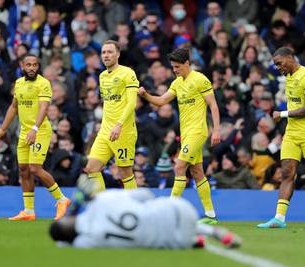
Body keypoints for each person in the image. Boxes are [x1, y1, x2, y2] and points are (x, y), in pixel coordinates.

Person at [138, 48, 221, 224]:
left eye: (177, 66)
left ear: (187, 63)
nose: (175, 70)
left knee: (179, 165)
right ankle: (211, 215)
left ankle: (169, 210)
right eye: (173, 67)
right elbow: (161, 101)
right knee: (197, 172)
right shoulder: (177, 83)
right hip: (186, 133)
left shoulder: (200, 79)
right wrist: (145, 95)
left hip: (198, 131)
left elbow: (213, 105)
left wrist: (217, 130)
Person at [49, 177, 242, 249]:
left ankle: (196, 240)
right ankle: (208, 233)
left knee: (151, 231)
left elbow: (62, 243)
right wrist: (79, 201)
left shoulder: (89, 241)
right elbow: (146, 194)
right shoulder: (103, 200)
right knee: (152, 211)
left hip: (176, 242)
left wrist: (75, 208)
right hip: (181, 209)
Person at [0, 54, 70, 221]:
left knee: (35, 168)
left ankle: (62, 200)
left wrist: (34, 129)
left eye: (35, 65)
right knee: (24, 170)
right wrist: (2, 129)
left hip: (40, 131)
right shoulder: (19, 84)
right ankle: (28, 211)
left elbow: (43, 108)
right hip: (24, 133)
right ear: (22, 66)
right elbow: (13, 108)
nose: (32, 68)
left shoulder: (43, 83)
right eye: (29, 65)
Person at [258, 47, 305, 228]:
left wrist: (283, 114)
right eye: (275, 65)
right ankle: (279, 218)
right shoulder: (289, 78)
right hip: (292, 132)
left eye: (279, 63)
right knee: (287, 173)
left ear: (290, 57)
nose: (278, 67)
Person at [84, 40, 140, 191]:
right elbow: (108, 103)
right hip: (105, 131)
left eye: (110, 52)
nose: (106, 55)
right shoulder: (102, 76)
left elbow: (131, 103)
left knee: (125, 173)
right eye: (103, 52)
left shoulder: (127, 73)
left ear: (118, 54)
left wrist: (119, 125)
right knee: (91, 169)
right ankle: (103, 204)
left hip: (123, 131)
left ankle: (134, 208)